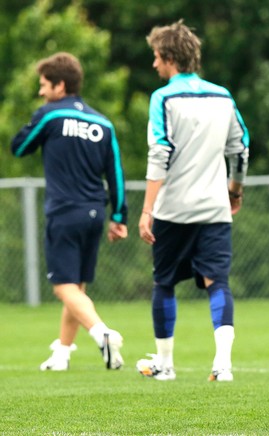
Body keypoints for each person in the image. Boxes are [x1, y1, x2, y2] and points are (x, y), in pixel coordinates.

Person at [135, 20, 249, 382]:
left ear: (169, 57)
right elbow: (241, 148)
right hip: (214, 208)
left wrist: (147, 209)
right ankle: (224, 365)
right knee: (218, 282)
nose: (154, 65)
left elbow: (159, 153)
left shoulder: (162, 97)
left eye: (156, 57)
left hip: (172, 209)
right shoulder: (223, 96)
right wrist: (234, 191)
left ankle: (165, 366)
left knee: (164, 283)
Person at [11, 52, 128, 371]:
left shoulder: (49, 116)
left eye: (44, 85)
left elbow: (19, 148)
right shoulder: (103, 123)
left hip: (64, 213)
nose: (40, 92)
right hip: (94, 214)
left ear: (60, 85)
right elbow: (115, 173)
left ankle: (102, 333)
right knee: (76, 288)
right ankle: (61, 354)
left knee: (63, 287)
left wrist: (35, 118)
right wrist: (119, 217)